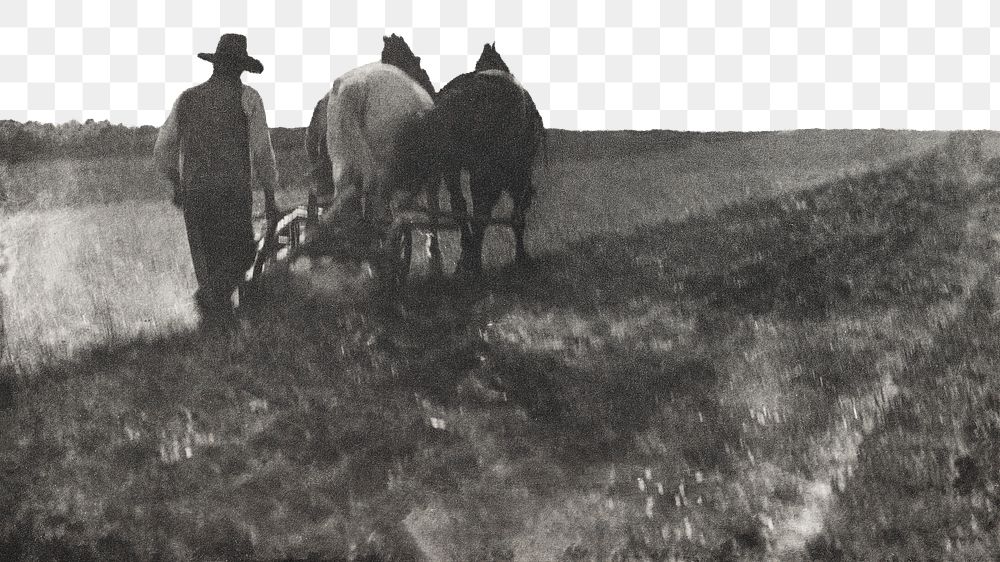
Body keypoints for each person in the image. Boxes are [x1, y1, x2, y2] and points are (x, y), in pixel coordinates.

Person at [153, 34, 278, 321]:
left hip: (195, 196)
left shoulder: (187, 99)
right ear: (240, 67)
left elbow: (162, 149)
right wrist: (270, 197)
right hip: (232, 195)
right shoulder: (248, 98)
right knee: (242, 256)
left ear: (216, 64)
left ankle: (214, 321)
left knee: (208, 266)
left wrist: (176, 184)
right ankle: (212, 311)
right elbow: (261, 151)